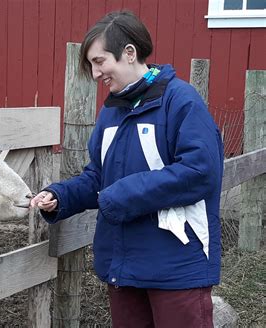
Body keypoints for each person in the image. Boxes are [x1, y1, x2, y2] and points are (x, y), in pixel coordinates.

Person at [31, 11, 224, 328]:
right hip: (124, 265)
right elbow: (98, 177)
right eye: (91, 65)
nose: (95, 74)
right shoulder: (112, 113)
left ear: (130, 53)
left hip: (176, 266)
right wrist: (60, 195)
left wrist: (120, 194)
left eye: (99, 61)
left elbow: (200, 172)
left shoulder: (181, 101)